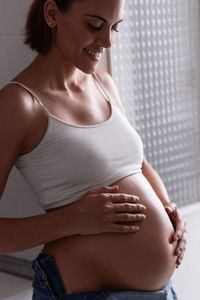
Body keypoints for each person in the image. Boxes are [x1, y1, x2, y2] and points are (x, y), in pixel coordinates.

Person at [0, 0, 187, 299]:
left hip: (158, 292)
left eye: (115, 28)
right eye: (95, 26)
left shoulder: (103, 83)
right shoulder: (19, 104)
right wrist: (72, 219)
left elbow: (139, 165)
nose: (108, 42)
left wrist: (169, 213)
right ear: (51, 14)